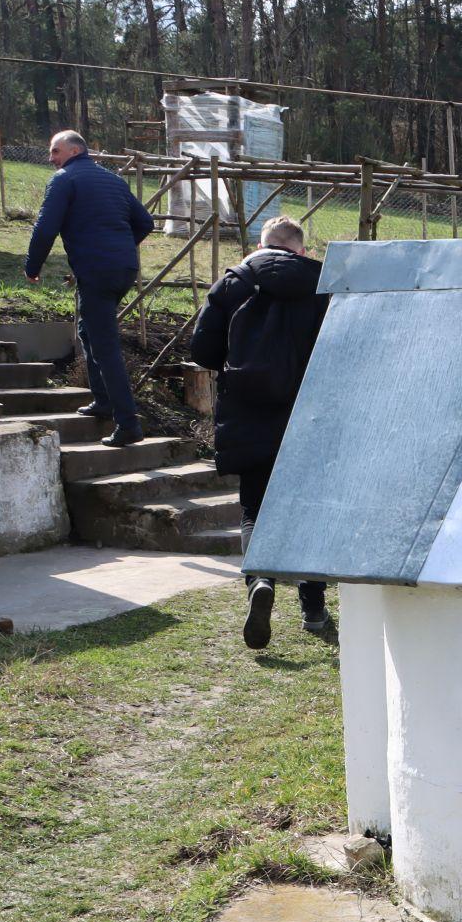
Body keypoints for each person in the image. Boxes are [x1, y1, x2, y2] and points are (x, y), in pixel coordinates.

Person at [189, 215, 334, 649]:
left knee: (254, 505)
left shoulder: (234, 283)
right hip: (310, 411)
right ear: (301, 249)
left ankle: (261, 580)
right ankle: (313, 608)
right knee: (310, 509)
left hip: (249, 412)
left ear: (260, 245)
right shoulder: (325, 283)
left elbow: (202, 350)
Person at [24, 130, 155, 447]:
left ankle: (127, 423)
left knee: (105, 345)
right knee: (88, 331)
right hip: (123, 269)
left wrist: (32, 266)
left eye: (55, 151)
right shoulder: (112, 180)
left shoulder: (64, 179)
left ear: (73, 150)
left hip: (97, 271)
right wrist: (121, 249)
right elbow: (145, 222)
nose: (51, 158)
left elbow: (45, 227)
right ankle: (103, 400)